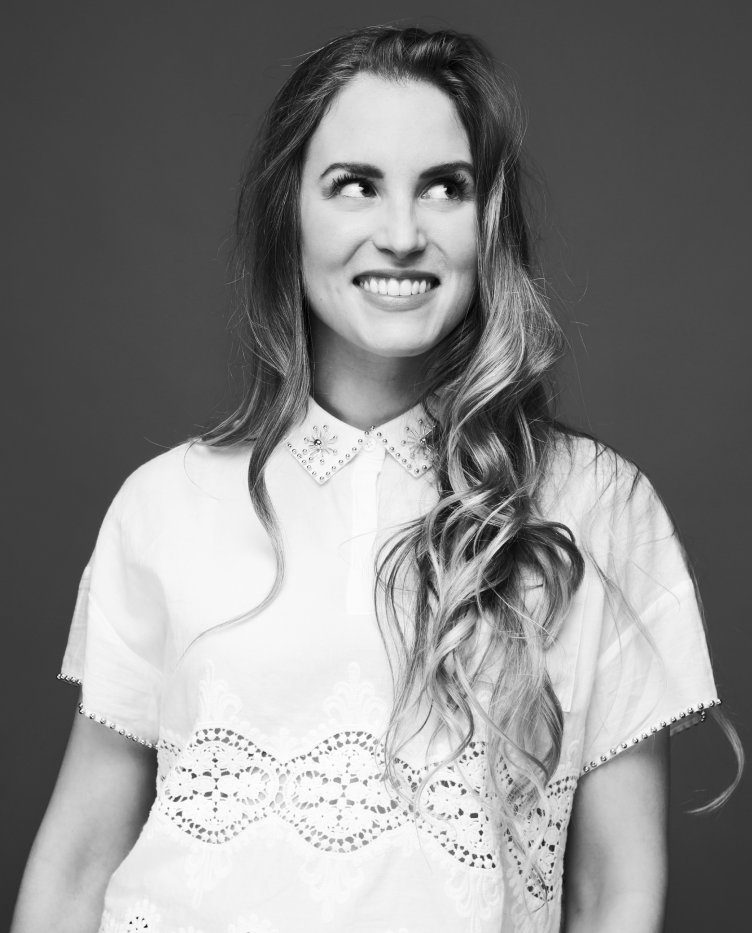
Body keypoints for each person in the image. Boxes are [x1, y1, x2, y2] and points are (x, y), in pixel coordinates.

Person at [11, 25, 742, 933]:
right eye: (355, 185)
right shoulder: (164, 502)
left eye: (446, 186)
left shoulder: (597, 505)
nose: (401, 234)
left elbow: (613, 895)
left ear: (489, 220)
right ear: (292, 213)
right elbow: (79, 862)